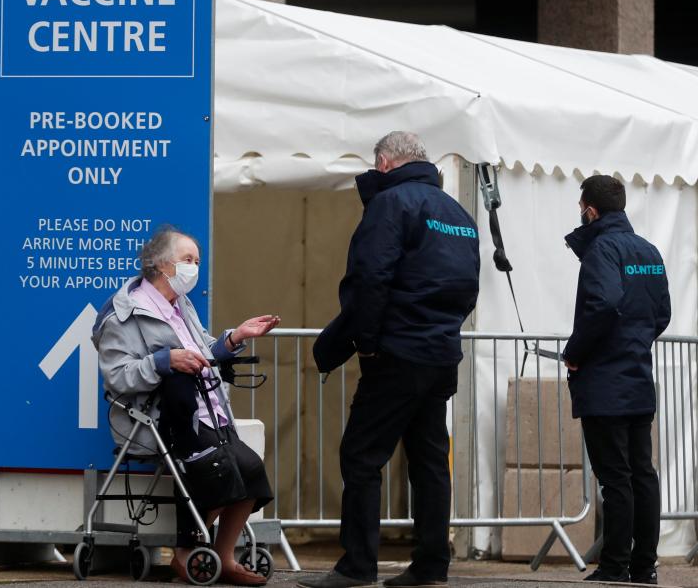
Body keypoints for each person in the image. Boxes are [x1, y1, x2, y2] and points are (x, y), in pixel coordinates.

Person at [302, 131, 480, 588]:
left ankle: (357, 566)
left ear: (383, 163)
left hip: (398, 349)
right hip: (441, 352)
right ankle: (431, 564)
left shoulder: (391, 203)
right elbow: (469, 287)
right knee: (429, 461)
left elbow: (370, 277)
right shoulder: (456, 212)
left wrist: (367, 342)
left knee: (361, 455)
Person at [95, 226, 280, 586]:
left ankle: (223, 557)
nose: (195, 267)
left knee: (251, 469)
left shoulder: (180, 305)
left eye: (197, 260)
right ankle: (185, 555)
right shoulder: (124, 314)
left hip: (207, 408)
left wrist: (235, 337)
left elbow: (204, 351)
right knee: (218, 470)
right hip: (162, 416)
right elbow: (117, 377)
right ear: (162, 265)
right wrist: (164, 361)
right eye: (188, 260)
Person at [560, 175, 671, 585]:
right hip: (639, 377)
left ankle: (614, 566)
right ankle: (644, 566)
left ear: (590, 209)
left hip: (606, 381)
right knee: (642, 473)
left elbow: (602, 304)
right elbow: (662, 313)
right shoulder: (648, 250)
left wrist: (575, 352)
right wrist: (635, 339)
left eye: (581, 208)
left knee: (616, 478)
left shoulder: (602, 249)